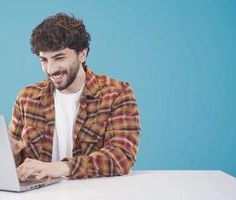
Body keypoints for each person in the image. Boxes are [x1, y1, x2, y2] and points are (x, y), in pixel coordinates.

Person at [8, 13, 140, 181]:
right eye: (44, 60)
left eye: (59, 58)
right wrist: (9, 154)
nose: (51, 69)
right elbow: (17, 163)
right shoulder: (27, 97)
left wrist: (62, 168)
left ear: (82, 54)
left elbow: (122, 156)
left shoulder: (117, 94)